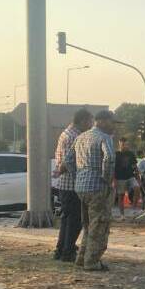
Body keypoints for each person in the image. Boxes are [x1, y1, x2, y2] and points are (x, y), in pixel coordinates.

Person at [63, 110, 118, 271]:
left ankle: (82, 258)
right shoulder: (104, 138)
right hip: (98, 187)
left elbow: (68, 160)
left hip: (81, 187)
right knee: (99, 225)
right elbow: (109, 158)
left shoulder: (81, 137)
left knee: (88, 225)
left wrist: (78, 176)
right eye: (112, 122)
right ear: (103, 121)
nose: (113, 126)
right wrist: (107, 180)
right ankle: (92, 261)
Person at [52, 109, 93, 262]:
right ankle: (67, 251)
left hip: (65, 185)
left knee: (67, 219)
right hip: (72, 184)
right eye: (90, 122)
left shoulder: (66, 133)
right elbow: (70, 162)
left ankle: (61, 249)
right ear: (83, 120)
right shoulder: (74, 137)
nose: (90, 125)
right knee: (74, 220)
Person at [113, 137, 138, 220]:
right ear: (119, 144)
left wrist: (138, 178)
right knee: (121, 196)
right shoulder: (116, 154)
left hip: (130, 176)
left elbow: (135, 166)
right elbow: (113, 168)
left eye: (126, 144)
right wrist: (114, 180)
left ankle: (133, 209)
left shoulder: (131, 154)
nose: (125, 146)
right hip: (120, 178)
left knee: (137, 188)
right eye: (123, 144)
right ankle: (122, 215)